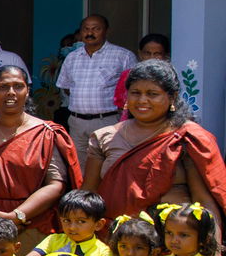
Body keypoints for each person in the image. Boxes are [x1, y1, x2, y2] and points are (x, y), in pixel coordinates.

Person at [85, 60, 226, 241]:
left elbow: (205, 202)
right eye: (135, 93)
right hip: (116, 244)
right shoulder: (104, 137)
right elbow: (89, 196)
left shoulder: (188, 137)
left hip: (173, 246)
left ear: (172, 97)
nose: (142, 100)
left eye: (152, 94)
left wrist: (211, 253)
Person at [0, 66, 79, 250]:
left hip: (32, 224)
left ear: (27, 91)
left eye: (18, 86)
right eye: (3, 87)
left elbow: (56, 183)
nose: (11, 93)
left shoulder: (45, 132)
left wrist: (17, 215)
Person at [57, 14, 137, 168]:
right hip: (77, 123)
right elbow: (66, 87)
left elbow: (133, 90)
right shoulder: (72, 57)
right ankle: (82, 193)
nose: (90, 33)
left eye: (96, 29)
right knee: (79, 167)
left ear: (107, 31)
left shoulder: (123, 56)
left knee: (109, 165)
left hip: (107, 120)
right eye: (86, 29)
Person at [113, 33, 170, 116]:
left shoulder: (169, 77)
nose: (152, 57)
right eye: (147, 53)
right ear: (140, 54)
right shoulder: (128, 75)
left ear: (165, 55)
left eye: (157, 53)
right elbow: (120, 103)